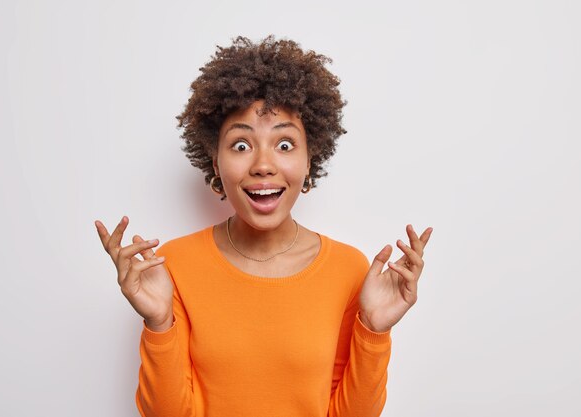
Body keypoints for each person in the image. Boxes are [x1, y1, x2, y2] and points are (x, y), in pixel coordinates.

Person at [95, 35, 433, 417]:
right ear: (215, 162)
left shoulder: (349, 270)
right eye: (241, 145)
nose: (263, 164)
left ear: (310, 159)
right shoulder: (172, 266)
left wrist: (374, 329)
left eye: (285, 144)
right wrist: (158, 323)